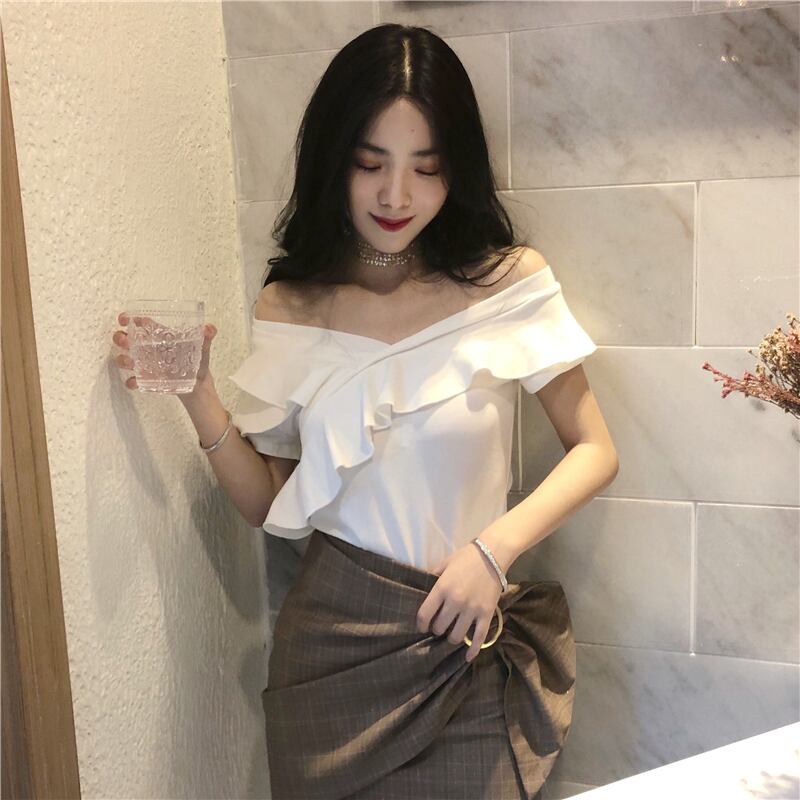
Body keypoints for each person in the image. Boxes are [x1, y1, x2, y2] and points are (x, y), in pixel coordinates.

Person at [113, 23, 619, 800]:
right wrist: (197, 393)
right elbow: (266, 502)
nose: (396, 195)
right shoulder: (291, 302)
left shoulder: (507, 284)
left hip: (461, 643)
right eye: (370, 163)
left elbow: (595, 448)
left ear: (457, 169)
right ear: (332, 160)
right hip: (328, 658)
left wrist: (493, 554)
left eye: (427, 167)